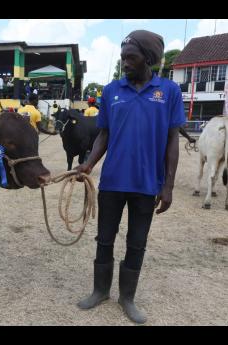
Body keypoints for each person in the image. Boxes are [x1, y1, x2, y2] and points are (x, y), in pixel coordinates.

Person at [75, 30, 185, 324]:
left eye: (131, 57)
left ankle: (127, 297)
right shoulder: (111, 91)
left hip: (147, 184)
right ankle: (100, 291)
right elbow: (104, 135)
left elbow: (173, 140)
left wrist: (169, 185)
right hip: (112, 182)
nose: (125, 62)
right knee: (104, 240)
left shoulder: (169, 92)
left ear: (148, 58)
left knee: (137, 242)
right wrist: (87, 164)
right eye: (123, 57)